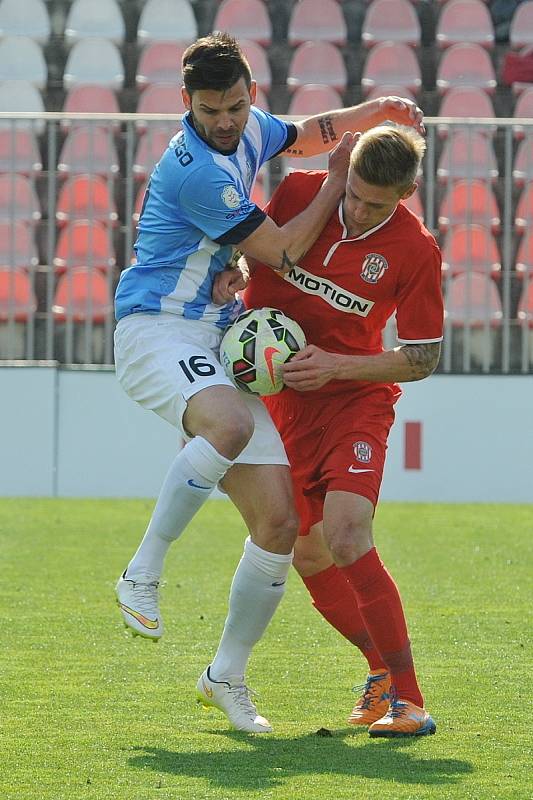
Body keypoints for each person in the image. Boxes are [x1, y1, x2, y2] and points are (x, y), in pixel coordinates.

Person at [113, 31, 425, 734]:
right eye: (208, 108)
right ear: (184, 103)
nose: (223, 121)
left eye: (232, 106)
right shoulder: (195, 168)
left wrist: (369, 109)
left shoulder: (251, 126)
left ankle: (225, 675)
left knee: (283, 526)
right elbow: (282, 252)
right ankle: (142, 570)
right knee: (225, 425)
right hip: (158, 326)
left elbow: (308, 135)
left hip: (213, 328)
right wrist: (340, 185)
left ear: (249, 95)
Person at [221, 125, 442, 738]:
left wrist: (340, 367)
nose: (361, 210)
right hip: (279, 405)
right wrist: (232, 274)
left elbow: (423, 355)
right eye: (355, 195)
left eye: (379, 203)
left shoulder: (416, 249)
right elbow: (252, 248)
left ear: (409, 191)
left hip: (354, 402)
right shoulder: (299, 195)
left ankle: (410, 701)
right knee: (304, 547)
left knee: (347, 534)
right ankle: (379, 671)